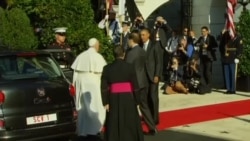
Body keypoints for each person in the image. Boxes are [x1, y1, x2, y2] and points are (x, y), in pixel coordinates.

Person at [101, 46, 144, 141]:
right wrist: (137, 100)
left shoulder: (107, 68)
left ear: (113, 55)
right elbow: (135, 85)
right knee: (129, 121)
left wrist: (105, 101)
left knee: (114, 121)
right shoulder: (129, 67)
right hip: (128, 98)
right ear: (124, 54)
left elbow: (104, 87)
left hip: (113, 98)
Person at [71, 38, 107, 137]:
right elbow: (103, 73)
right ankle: (95, 129)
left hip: (81, 83)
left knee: (83, 108)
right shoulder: (98, 57)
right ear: (96, 45)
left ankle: (83, 130)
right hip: (94, 84)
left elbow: (75, 74)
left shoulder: (81, 56)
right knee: (96, 105)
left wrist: (74, 85)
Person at [125, 32, 157, 135]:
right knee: (144, 105)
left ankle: (133, 127)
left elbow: (128, 68)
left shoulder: (131, 53)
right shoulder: (142, 51)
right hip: (143, 81)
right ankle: (152, 127)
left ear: (131, 40)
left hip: (134, 83)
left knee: (132, 105)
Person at [140, 28, 161, 125]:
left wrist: (157, 75)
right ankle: (148, 117)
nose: (142, 37)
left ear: (148, 35)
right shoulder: (140, 46)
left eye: (144, 35)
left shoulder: (154, 45)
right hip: (144, 76)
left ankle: (155, 118)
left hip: (153, 76)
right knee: (146, 97)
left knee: (153, 97)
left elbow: (158, 62)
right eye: (141, 35)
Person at [195, 26, 218, 93]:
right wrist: (200, 45)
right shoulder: (200, 38)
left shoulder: (211, 37)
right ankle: (204, 85)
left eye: (204, 31)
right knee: (202, 71)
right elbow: (196, 44)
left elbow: (215, 45)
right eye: (202, 31)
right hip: (202, 57)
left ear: (207, 31)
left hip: (208, 57)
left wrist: (208, 46)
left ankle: (209, 86)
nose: (203, 33)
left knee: (208, 72)